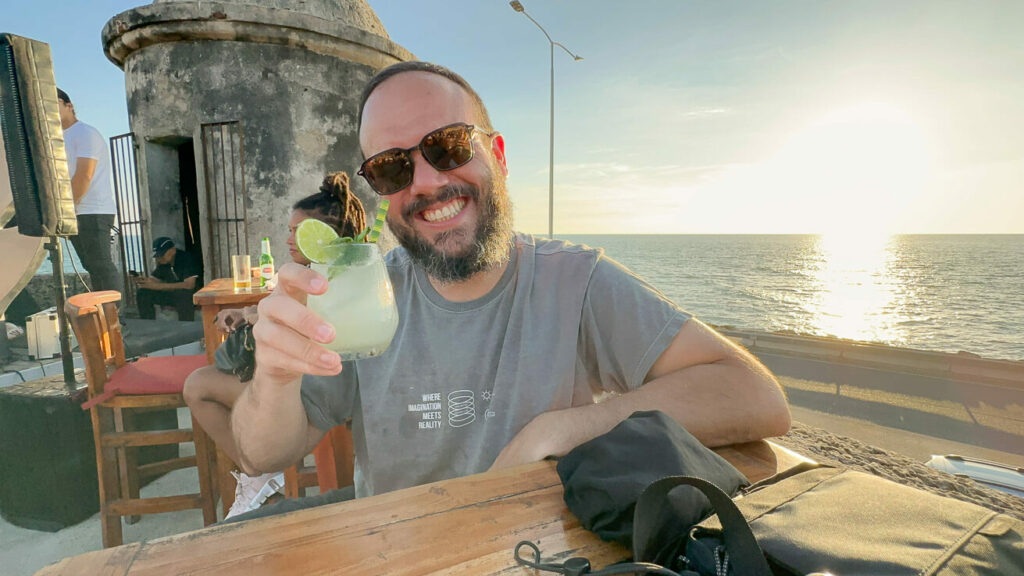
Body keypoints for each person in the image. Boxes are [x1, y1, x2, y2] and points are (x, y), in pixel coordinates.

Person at [232, 62, 791, 502]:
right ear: (379, 189)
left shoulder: (573, 282)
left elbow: (754, 394)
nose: (427, 181)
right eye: (391, 167)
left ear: (496, 154)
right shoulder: (362, 297)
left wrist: (561, 430)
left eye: (448, 146)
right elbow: (260, 455)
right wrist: (274, 378)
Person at [184, 172, 366, 519]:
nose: (290, 238)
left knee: (197, 386)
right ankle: (260, 471)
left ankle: (258, 476)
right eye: (289, 230)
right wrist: (251, 312)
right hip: (305, 383)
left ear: (326, 235)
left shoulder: (330, 278)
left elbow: (310, 320)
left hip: (313, 385)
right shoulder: (320, 270)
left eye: (300, 231)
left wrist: (252, 315)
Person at [57, 88, 121, 294]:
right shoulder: (60, 138)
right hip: (77, 211)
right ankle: (102, 313)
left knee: (101, 264)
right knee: (92, 266)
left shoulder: (85, 133)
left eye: (54, 102)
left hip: (94, 210)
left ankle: (114, 317)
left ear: (69, 106)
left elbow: (84, 175)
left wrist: (66, 211)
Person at [134, 237, 202, 321]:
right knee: (143, 292)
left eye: (162, 255)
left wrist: (159, 286)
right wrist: (144, 281)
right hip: (173, 296)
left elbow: (189, 285)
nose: (159, 258)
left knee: (183, 294)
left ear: (173, 250)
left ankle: (186, 326)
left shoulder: (186, 259)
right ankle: (148, 324)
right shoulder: (164, 262)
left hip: (191, 297)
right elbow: (155, 279)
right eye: (158, 256)